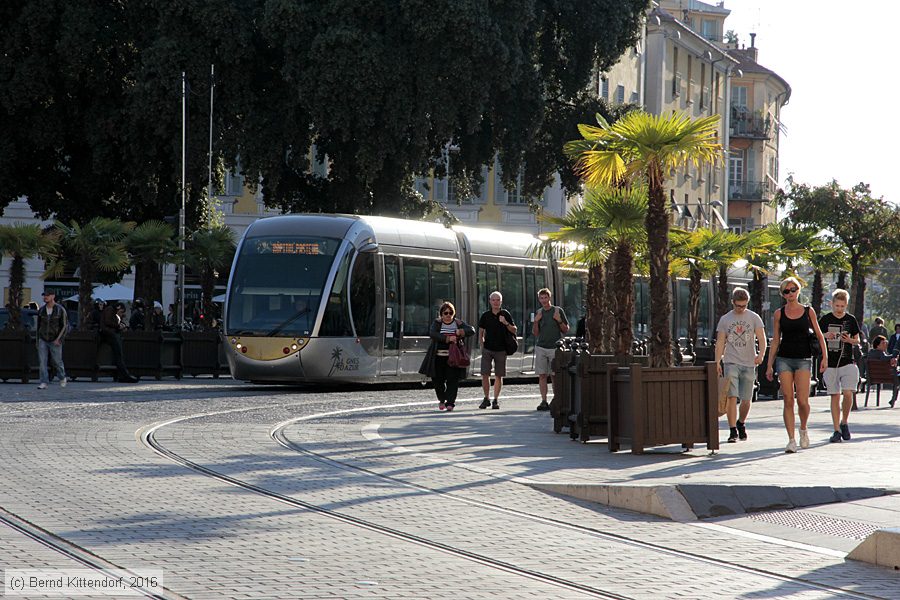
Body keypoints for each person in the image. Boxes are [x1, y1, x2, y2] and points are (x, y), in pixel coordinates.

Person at [766, 277, 827, 453]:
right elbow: (776, 340)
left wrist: (825, 358)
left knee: (802, 401)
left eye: (793, 290)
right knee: (787, 399)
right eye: (786, 291)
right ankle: (791, 439)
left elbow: (819, 335)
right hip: (784, 358)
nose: (790, 293)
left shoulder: (809, 311)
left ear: (798, 290)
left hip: (803, 359)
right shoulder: (779, 313)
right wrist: (769, 365)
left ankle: (803, 429)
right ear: (783, 294)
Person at [714, 287, 766, 443]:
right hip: (731, 361)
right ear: (733, 303)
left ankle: (741, 422)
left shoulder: (754, 317)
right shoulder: (725, 319)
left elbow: (761, 338)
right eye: (738, 306)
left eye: (744, 306)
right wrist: (717, 361)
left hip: (749, 362)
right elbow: (720, 342)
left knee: (746, 399)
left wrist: (761, 354)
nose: (741, 309)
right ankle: (732, 430)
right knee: (732, 396)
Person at [819, 289, 861, 443]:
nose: (839, 309)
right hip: (830, 362)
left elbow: (858, 340)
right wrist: (825, 336)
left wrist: (849, 340)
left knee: (848, 393)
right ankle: (836, 429)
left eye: (842, 306)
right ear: (832, 304)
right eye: (837, 305)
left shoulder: (851, 320)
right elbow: (816, 335)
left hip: (847, 361)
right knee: (834, 395)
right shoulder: (825, 319)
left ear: (846, 305)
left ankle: (845, 422)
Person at [421, 302, 475, 412]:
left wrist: (461, 331)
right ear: (441, 314)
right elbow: (432, 334)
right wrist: (448, 339)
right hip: (438, 357)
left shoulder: (458, 323)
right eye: (445, 313)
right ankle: (442, 399)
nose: (448, 315)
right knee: (437, 380)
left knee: (452, 380)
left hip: (453, 358)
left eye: (451, 313)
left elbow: (472, 330)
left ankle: (450, 403)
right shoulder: (437, 323)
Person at [532, 288, 569, 411]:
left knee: (554, 375)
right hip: (541, 347)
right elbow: (535, 333)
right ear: (539, 299)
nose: (543, 300)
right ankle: (543, 400)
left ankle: (557, 399)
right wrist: (536, 321)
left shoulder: (558, 311)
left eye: (545, 298)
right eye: (541, 298)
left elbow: (565, 329)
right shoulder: (539, 312)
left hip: (555, 348)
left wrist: (558, 320)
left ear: (549, 298)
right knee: (542, 375)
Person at [478, 291, 516, 410]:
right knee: (485, 374)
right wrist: (482, 345)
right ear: (490, 301)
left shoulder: (505, 314)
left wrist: (505, 323)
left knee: (499, 375)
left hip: (501, 349)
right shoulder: (485, 315)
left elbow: (514, 330)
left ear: (501, 302)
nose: (495, 302)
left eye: (498, 300)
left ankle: (495, 399)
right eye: (493, 300)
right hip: (488, 349)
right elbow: (481, 332)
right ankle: (486, 398)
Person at [36, 290, 68, 389]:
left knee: (57, 361)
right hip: (43, 338)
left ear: (53, 296)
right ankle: (44, 381)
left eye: (47, 295)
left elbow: (64, 326)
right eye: (44, 295)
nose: (45, 297)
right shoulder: (41, 310)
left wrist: (59, 339)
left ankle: (62, 377)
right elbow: (38, 326)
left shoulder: (60, 309)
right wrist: (38, 340)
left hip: (55, 339)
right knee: (42, 361)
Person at [100, 301, 139, 383]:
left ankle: (122, 374)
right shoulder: (110, 310)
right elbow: (108, 322)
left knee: (119, 354)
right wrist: (118, 325)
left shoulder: (112, 312)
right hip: (110, 334)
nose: (121, 314)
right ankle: (124, 375)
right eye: (121, 312)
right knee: (118, 354)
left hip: (111, 333)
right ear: (118, 308)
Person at [866, 335, 898, 408]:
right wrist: (894, 356)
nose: (885, 344)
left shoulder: (870, 353)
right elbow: (884, 358)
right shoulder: (880, 353)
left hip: (874, 377)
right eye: (883, 343)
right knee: (897, 380)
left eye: (886, 342)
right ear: (877, 345)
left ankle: (893, 400)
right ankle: (893, 400)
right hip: (887, 376)